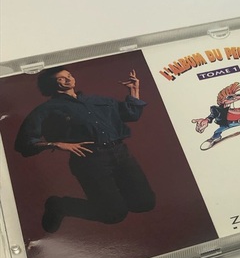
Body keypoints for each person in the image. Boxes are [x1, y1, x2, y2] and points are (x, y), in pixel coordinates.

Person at [15, 66, 155, 233]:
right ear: (51, 85)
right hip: (90, 160)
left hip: (121, 154)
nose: (68, 79)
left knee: (145, 203)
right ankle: (60, 205)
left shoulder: (97, 100)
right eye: (61, 78)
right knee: (114, 214)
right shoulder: (46, 109)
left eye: (69, 75)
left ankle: (111, 201)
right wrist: (55, 144)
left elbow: (131, 115)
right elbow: (24, 144)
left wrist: (134, 90)